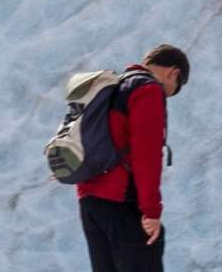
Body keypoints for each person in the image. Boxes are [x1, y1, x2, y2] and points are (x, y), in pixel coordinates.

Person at [79, 44, 191, 272]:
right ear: (174, 73)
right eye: (171, 91)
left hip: (89, 201)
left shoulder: (111, 88)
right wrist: (151, 211)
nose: (165, 96)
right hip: (121, 202)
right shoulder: (147, 90)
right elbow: (146, 156)